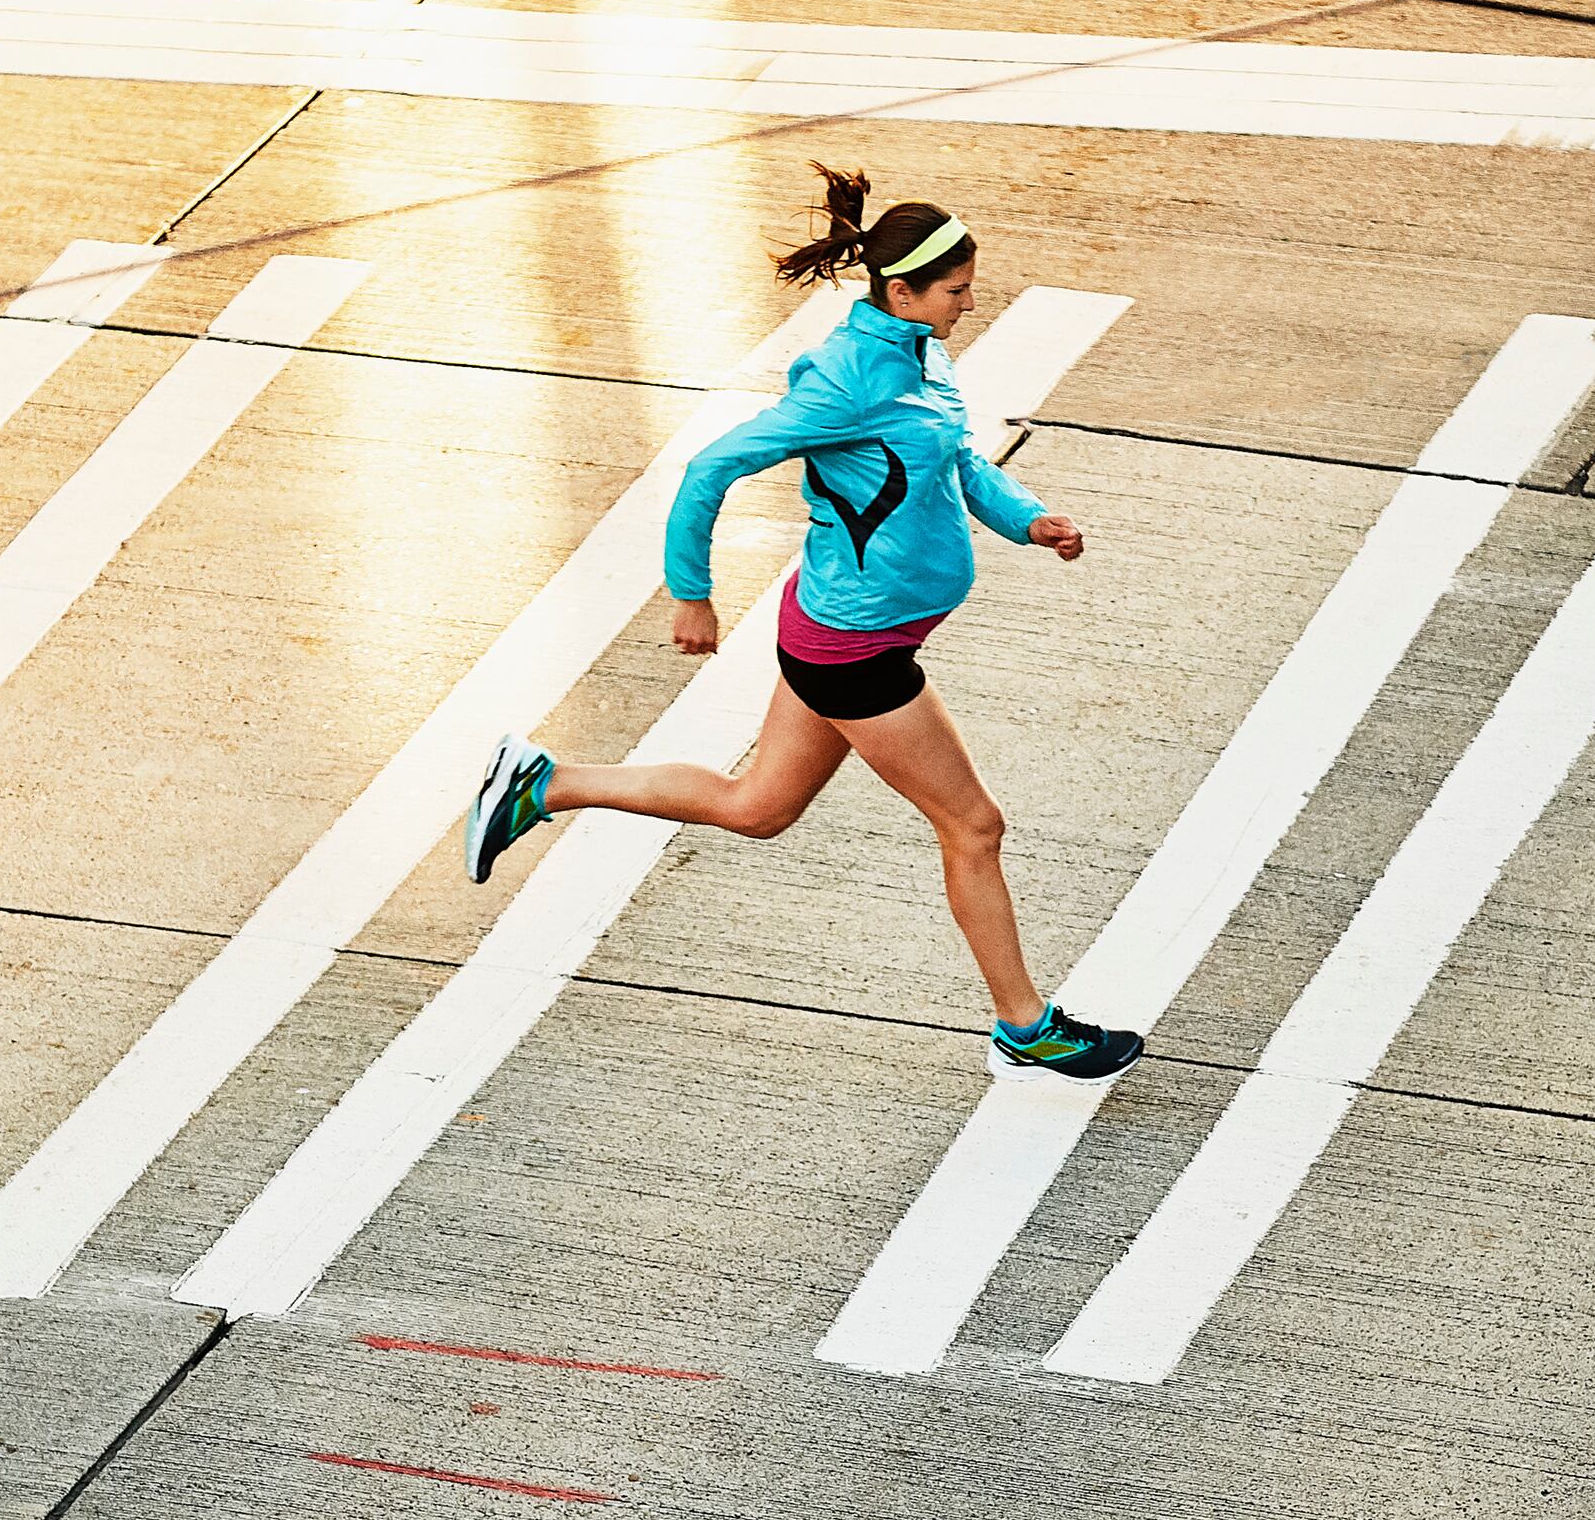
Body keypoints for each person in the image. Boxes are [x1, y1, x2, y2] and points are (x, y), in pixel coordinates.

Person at [467, 169, 1143, 1082]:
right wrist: (691, 593)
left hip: (852, 628)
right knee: (974, 825)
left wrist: (1027, 518)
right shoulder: (850, 382)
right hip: (854, 649)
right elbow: (711, 466)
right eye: (956, 290)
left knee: (759, 807)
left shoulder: (916, 351)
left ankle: (541, 785)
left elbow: (955, 455)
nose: (970, 302)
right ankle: (1026, 1026)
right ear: (901, 290)